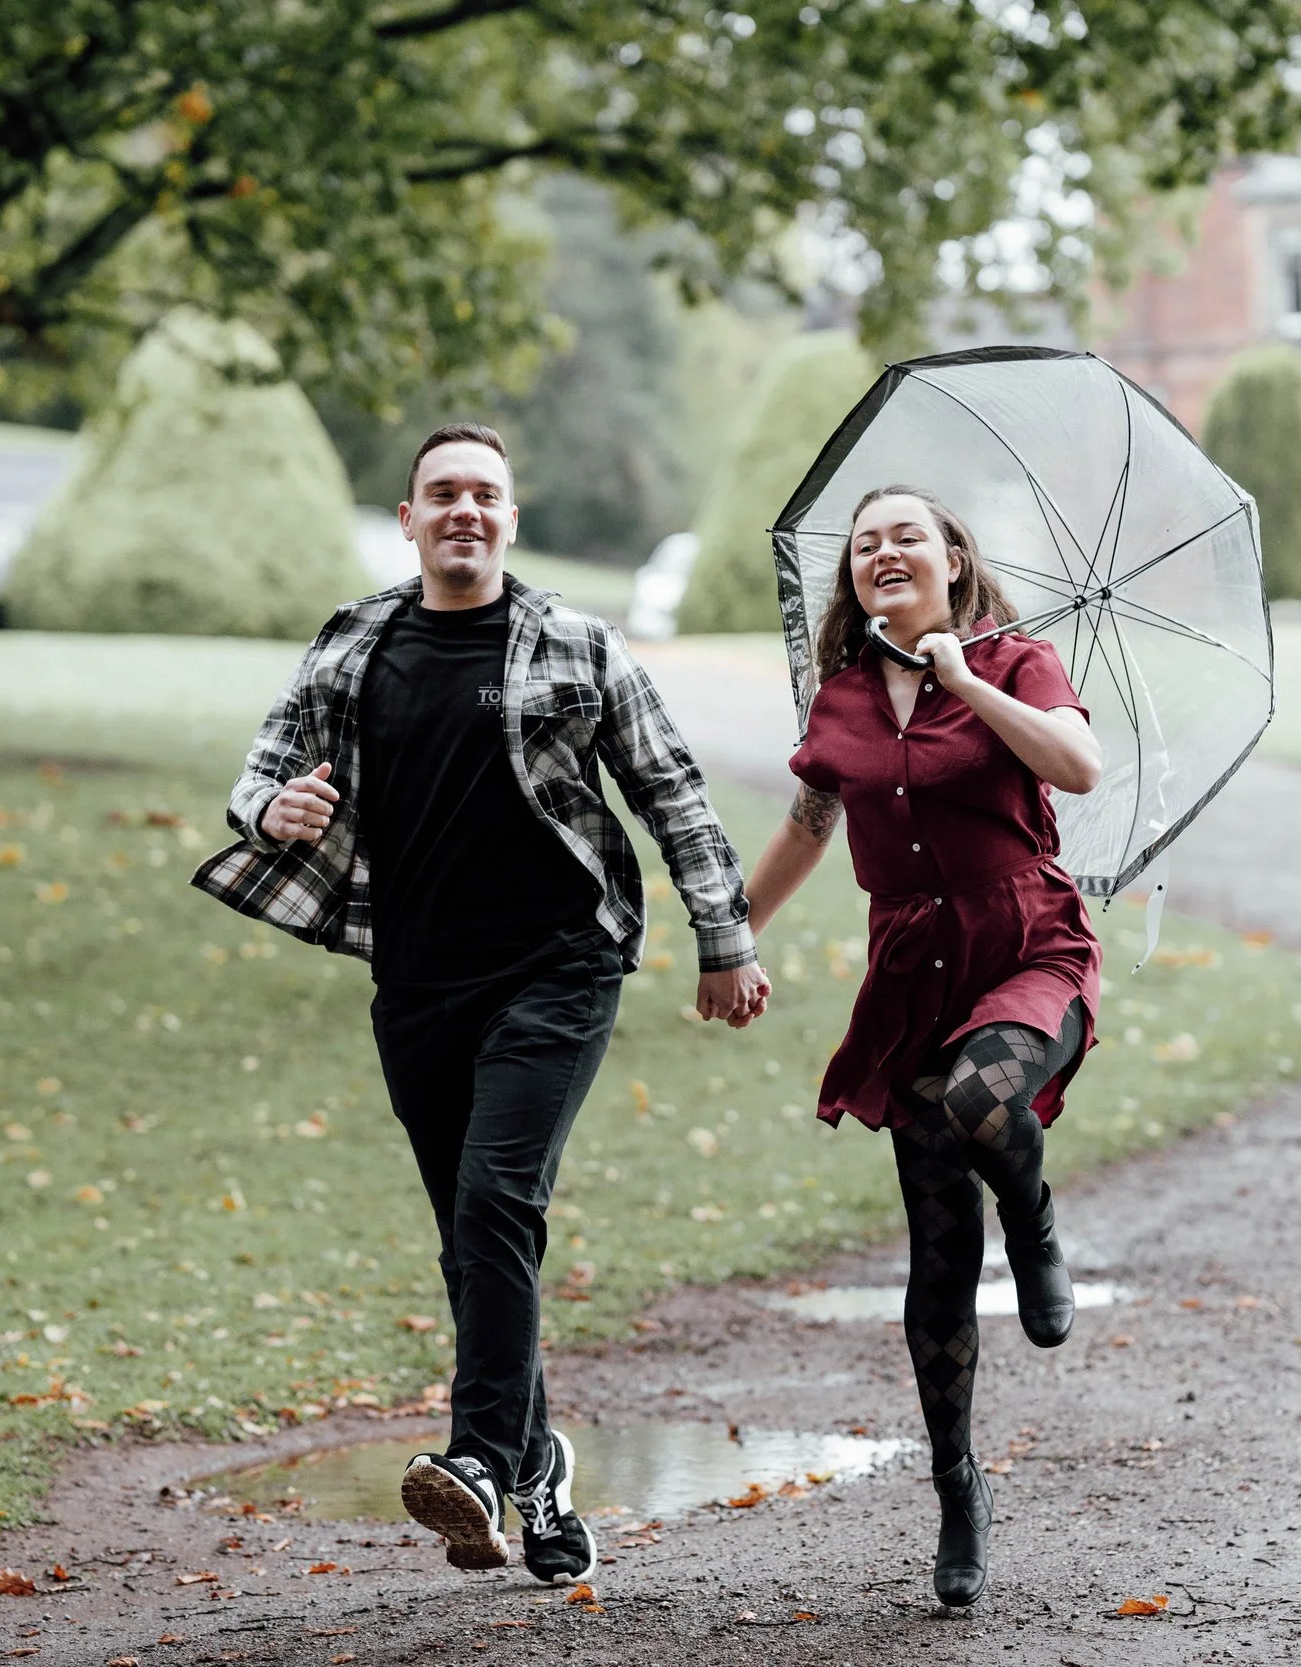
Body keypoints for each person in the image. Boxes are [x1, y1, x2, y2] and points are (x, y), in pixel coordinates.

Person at [193, 423, 770, 1585]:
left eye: (485, 494)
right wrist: (270, 814)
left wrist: (725, 938)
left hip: (558, 967)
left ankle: (478, 1460)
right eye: (441, 493)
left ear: (512, 518)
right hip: (413, 977)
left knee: (497, 1198)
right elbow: (260, 769)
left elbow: (673, 793)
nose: (464, 509)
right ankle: (539, 1464)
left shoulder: (577, 645)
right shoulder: (356, 641)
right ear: (407, 519)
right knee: (473, 1236)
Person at [739, 484, 1103, 1610]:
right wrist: (727, 933)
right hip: (911, 980)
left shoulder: (1016, 659)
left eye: (907, 534)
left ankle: (1034, 1221)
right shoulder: (839, 698)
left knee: (981, 1101)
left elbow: (1077, 766)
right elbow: (808, 826)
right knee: (938, 1258)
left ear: (952, 556)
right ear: (852, 578)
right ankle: (956, 1488)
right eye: (863, 544)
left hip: (1028, 944)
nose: (884, 550)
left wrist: (963, 679)